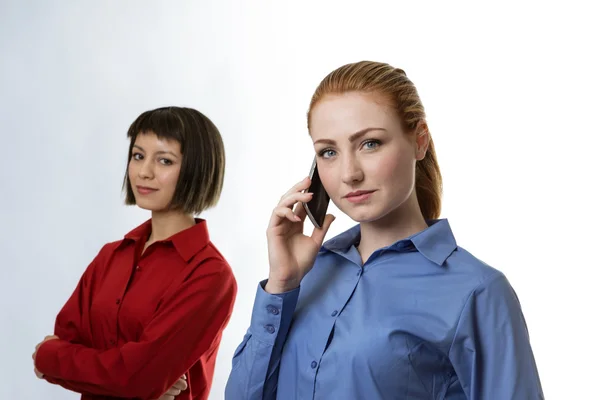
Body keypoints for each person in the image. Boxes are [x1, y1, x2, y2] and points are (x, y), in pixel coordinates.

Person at [225, 61, 544, 399]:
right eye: (328, 152)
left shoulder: (478, 291)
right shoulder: (306, 273)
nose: (349, 173)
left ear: (419, 142)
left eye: (370, 144)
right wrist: (281, 285)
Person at [32, 106, 237, 400]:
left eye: (164, 160)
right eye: (138, 155)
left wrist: (56, 360)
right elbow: (65, 339)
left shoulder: (211, 275)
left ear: (197, 169)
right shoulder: (111, 255)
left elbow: (137, 377)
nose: (144, 171)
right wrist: (137, 377)